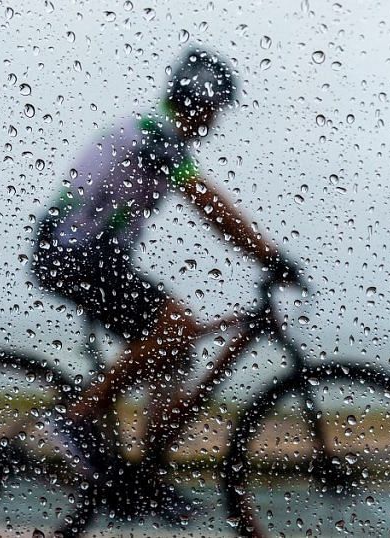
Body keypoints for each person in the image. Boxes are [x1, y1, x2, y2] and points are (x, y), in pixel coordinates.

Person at [31, 47, 299, 480]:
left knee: (174, 350)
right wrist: (267, 254)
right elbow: (209, 205)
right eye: (212, 110)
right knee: (174, 327)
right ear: (196, 102)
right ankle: (75, 419)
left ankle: (148, 476)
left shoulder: (156, 133)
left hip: (89, 256)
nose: (213, 122)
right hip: (74, 253)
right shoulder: (157, 134)